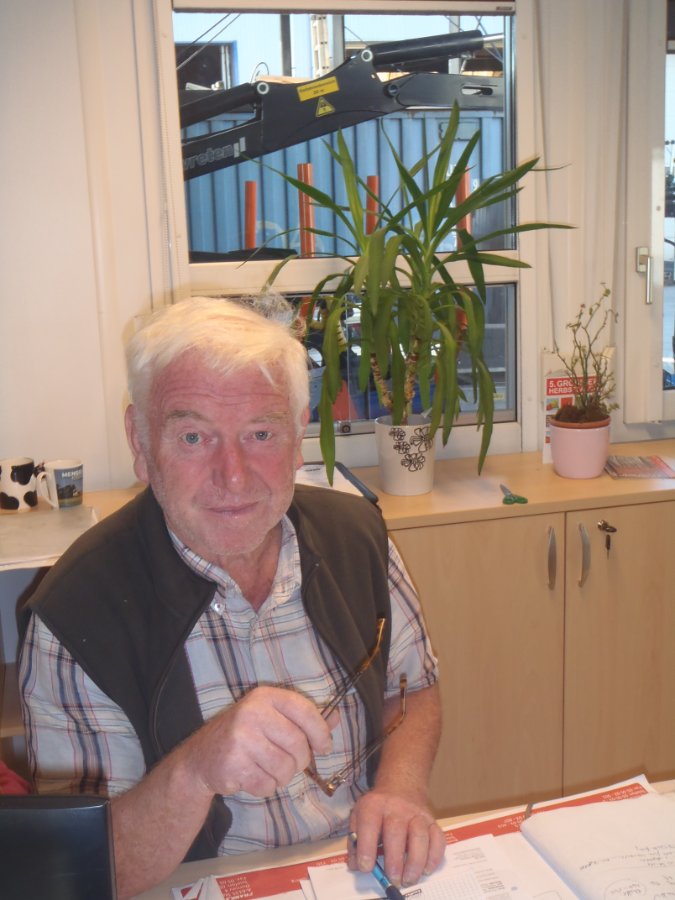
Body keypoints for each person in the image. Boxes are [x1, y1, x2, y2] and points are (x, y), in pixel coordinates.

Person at [19, 296, 444, 899]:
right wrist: (194, 772)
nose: (235, 476)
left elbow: (415, 687)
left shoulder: (357, 536)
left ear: (299, 434)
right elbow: (87, 869)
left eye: (261, 433)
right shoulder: (76, 615)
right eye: (194, 437)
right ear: (140, 441)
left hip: (353, 874)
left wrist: (401, 788)